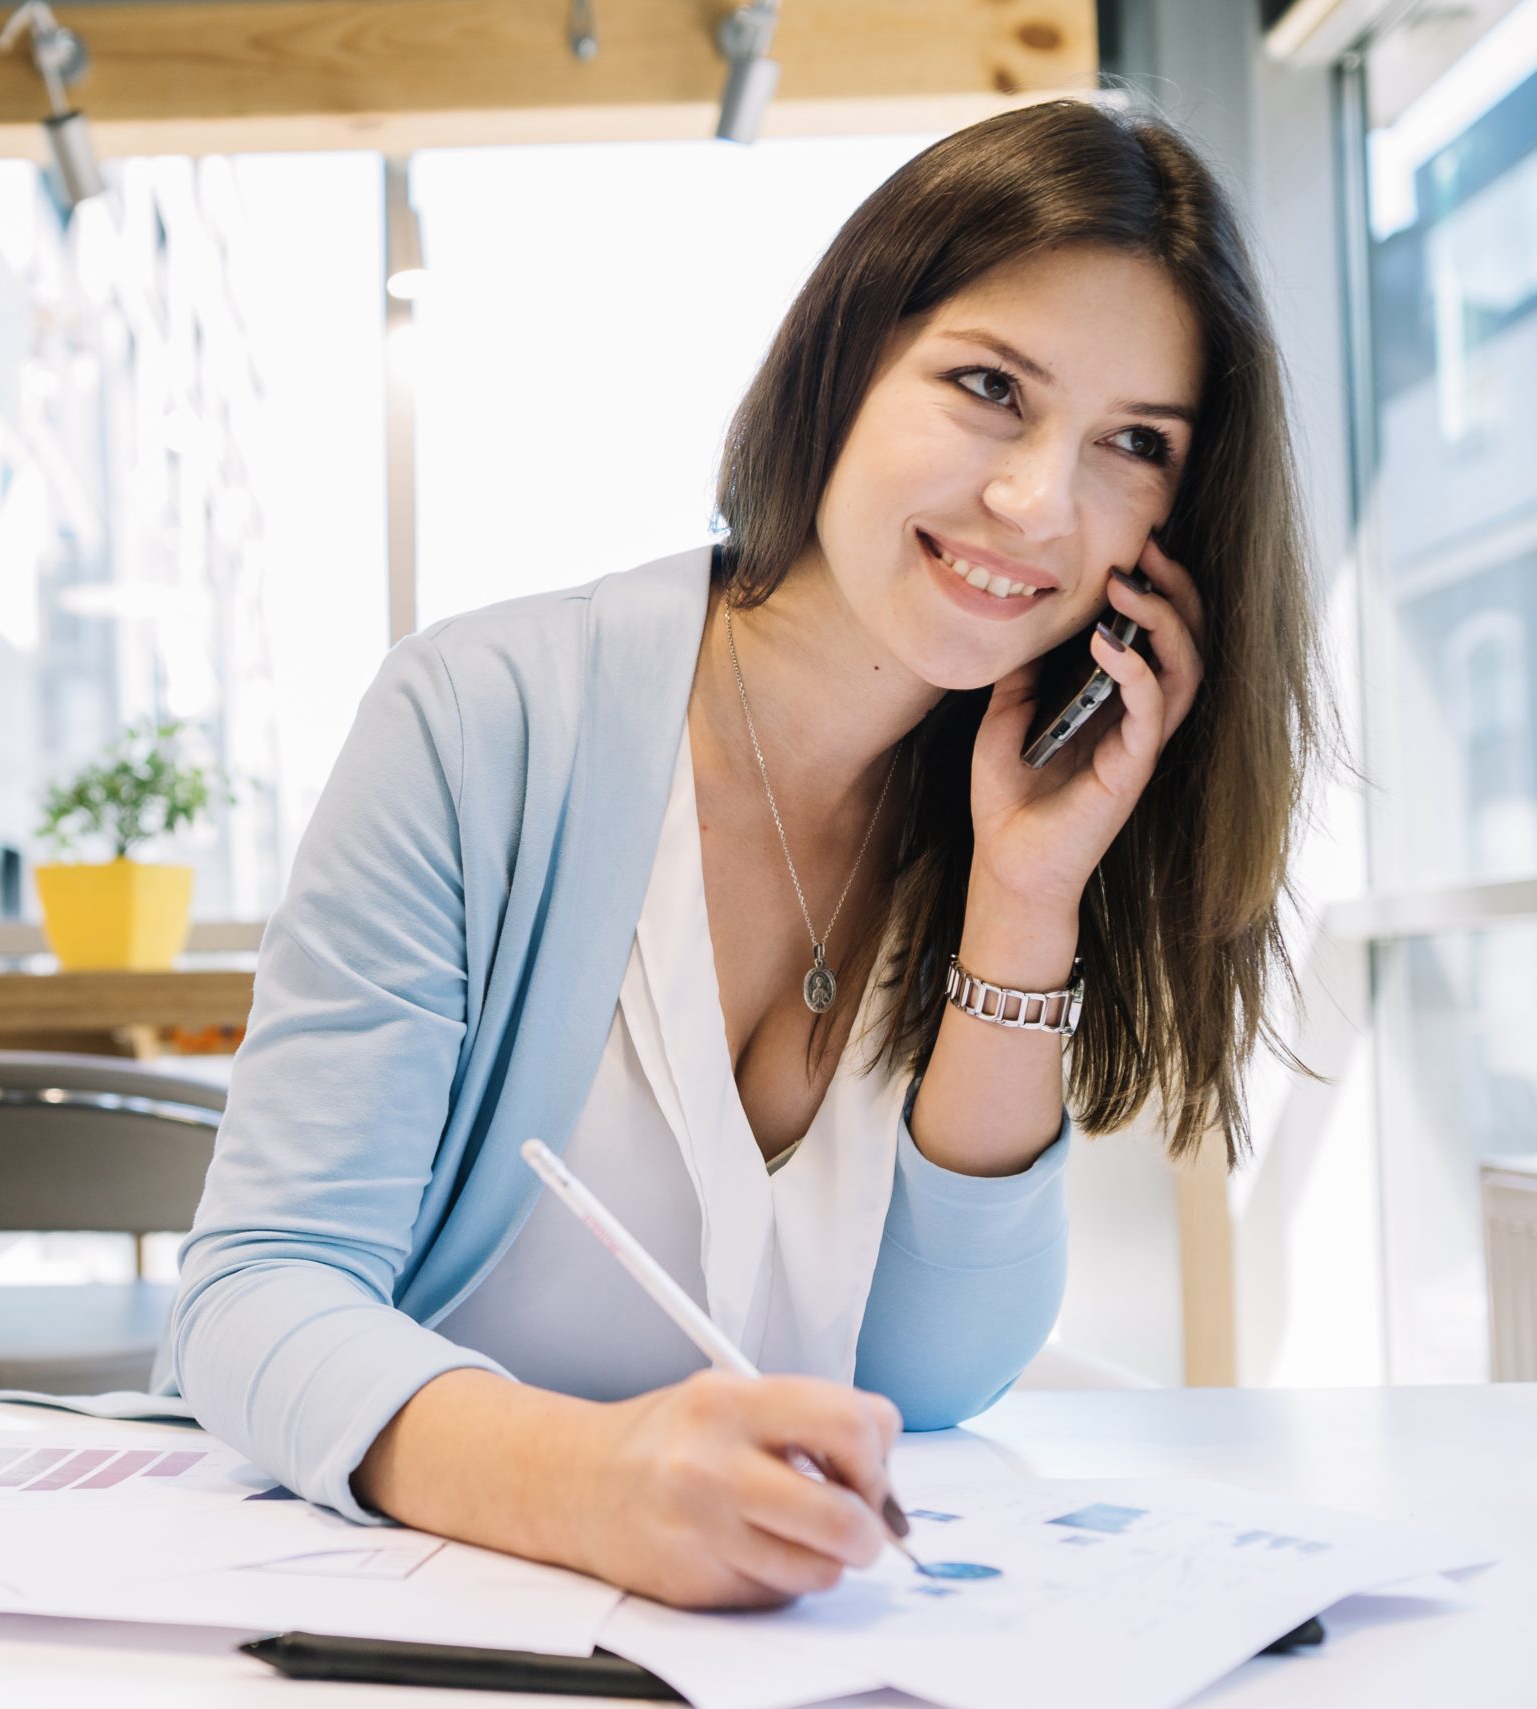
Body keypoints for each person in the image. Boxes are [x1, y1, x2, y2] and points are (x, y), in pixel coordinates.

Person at [154, 99, 1333, 1611]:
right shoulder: (482, 716)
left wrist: (1024, 898)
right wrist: (597, 1485)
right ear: (842, 362)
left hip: (773, 1634)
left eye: (1135, 445)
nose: (1041, 503)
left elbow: (938, 1370)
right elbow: (255, 1296)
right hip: (412, 1605)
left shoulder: (1000, 795)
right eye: (989, 387)